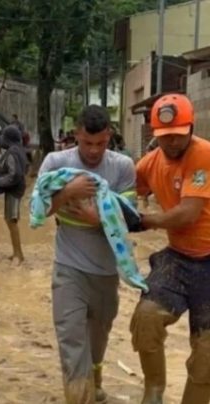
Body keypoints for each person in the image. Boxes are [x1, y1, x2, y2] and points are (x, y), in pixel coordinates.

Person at [36, 105, 136, 402]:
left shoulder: (122, 167)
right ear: (76, 135)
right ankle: (81, 395)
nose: (93, 151)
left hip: (106, 272)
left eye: (101, 143)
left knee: (98, 337)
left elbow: (131, 218)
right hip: (69, 269)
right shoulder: (56, 162)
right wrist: (68, 192)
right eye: (87, 143)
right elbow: (38, 211)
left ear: (110, 136)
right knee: (72, 341)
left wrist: (98, 219)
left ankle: (95, 379)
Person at [131, 93, 210, 403]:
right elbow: (124, 190)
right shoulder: (149, 163)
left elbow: (188, 213)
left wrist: (146, 220)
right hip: (178, 258)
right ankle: (153, 391)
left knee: (207, 354)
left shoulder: (203, 155)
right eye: (165, 137)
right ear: (155, 135)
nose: (172, 143)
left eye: (178, 135)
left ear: (190, 128)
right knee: (146, 318)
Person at [0, 125, 28, 264]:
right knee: (10, 220)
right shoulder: (18, 150)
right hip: (16, 188)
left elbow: (14, 174)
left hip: (14, 190)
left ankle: (18, 254)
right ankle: (16, 252)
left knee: (12, 221)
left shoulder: (12, 152)